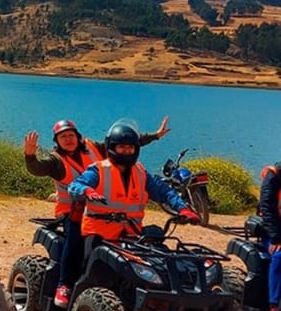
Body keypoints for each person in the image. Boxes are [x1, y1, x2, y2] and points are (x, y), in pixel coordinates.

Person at [23, 116, 171, 308]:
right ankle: (64, 285)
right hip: (71, 212)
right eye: (62, 137)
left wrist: (155, 136)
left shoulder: (93, 148)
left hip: (104, 210)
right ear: (57, 141)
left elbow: (124, 142)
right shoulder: (56, 161)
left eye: (70, 135)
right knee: (75, 238)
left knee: (143, 240)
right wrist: (30, 156)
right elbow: (37, 169)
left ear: (77, 136)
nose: (68, 139)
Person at [66, 119, 200, 296]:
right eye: (122, 147)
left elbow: (164, 191)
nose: (127, 151)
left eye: (130, 148)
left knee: (160, 261)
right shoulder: (98, 170)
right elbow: (75, 185)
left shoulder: (140, 172)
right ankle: (82, 297)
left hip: (131, 235)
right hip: (99, 235)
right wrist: (87, 190)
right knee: (99, 273)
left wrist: (183, 208)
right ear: (112, 147)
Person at [257, 163, 281, 311]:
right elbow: (267, 208)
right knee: (280, 257)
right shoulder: (273, 176)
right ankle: (274, 307)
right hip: (273, 233)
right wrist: (276, 238)